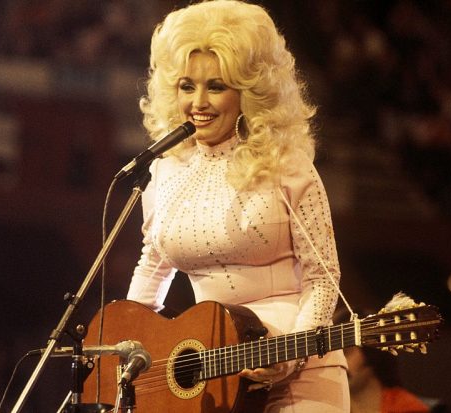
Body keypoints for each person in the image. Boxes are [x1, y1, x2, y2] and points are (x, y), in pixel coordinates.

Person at [126, 1, 349, 411]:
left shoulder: (287, 165)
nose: (199, 102)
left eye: (216, 86)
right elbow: (154, 262)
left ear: (248, 91)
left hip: (302, 369)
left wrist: (290, 356)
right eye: (187, 85)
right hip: (214, 376)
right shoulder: (164, 170)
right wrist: (131, 347)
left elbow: (323, 277)